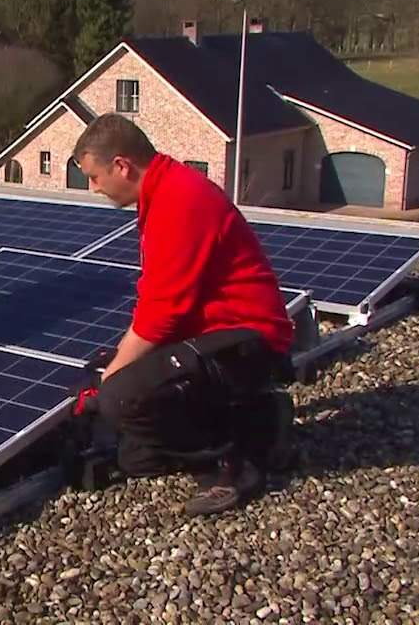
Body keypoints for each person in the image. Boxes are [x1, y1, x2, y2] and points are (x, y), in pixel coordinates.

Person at [70, 114, 297, 516]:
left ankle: (230, 466)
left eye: (95, 176)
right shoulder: (161, 194)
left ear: (122, 165)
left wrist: (114, 381)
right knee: (133, 456)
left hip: (249, 339)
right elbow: (154, 302)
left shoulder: (179, 199)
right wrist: (111, 368)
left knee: (121, 395)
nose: (94, 187)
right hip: (210, 335)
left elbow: (162, 314)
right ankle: (260, 420)